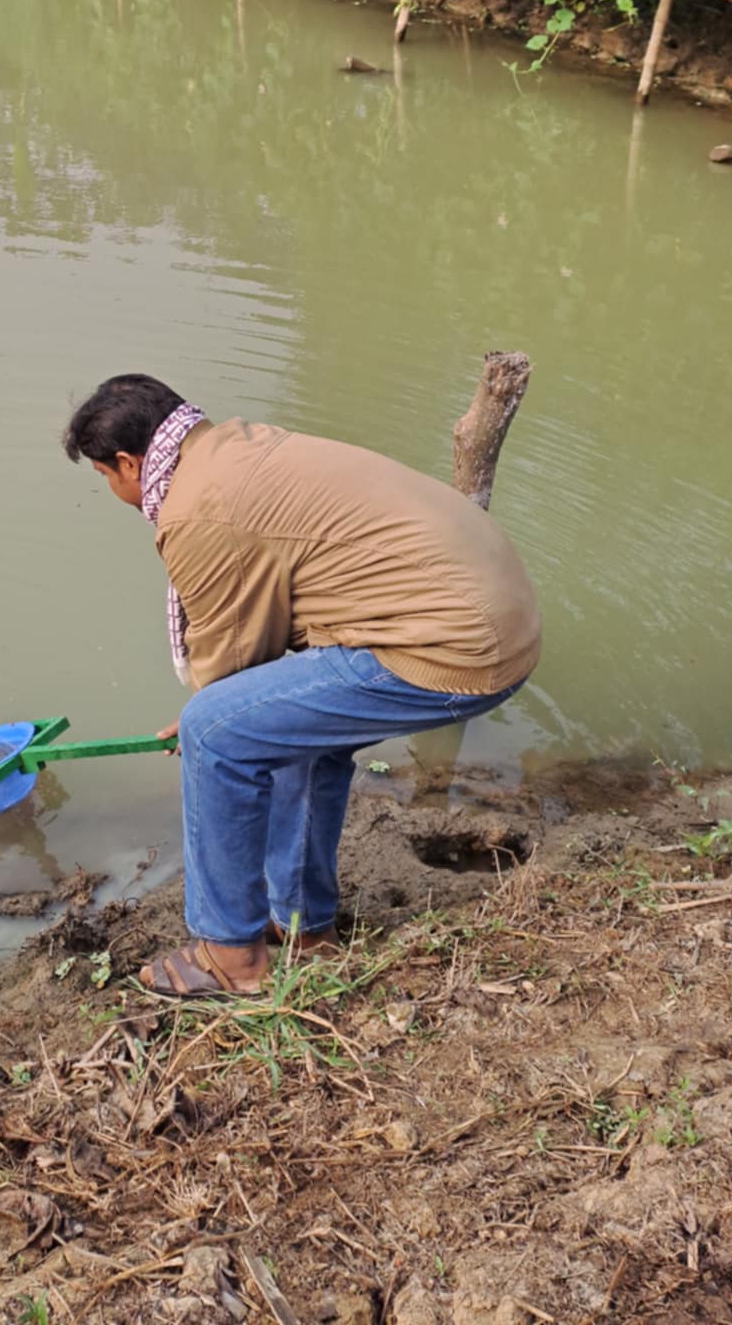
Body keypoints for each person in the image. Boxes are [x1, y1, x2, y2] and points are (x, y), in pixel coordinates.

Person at [63, 375, 540, 999]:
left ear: (129, 462)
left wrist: (211, 714)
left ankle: (230, 955)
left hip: (455, 648)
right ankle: (304, 927)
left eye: (105, 477)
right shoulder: (235, 447)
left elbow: (230, 670)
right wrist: (230, 703)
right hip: (501, 619)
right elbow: (253, 655)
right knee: (271, 726)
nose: (113, 491)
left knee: (214, 732)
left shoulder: (196, 508)